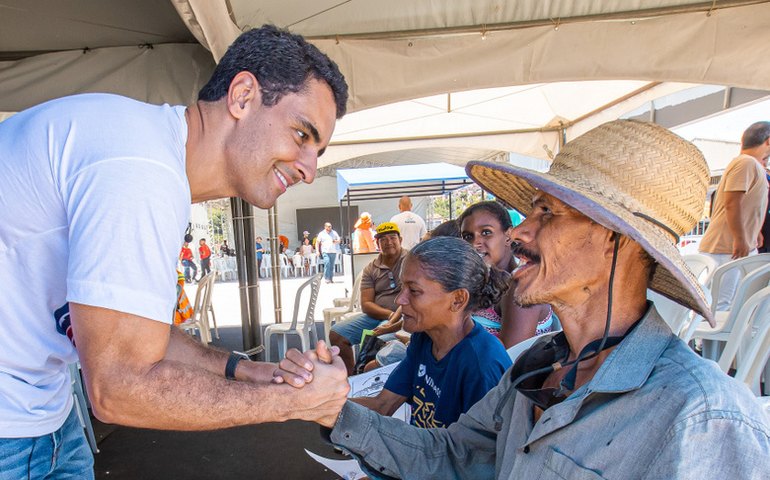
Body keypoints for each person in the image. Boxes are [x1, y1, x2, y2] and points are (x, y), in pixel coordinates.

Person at [315, 121, 770, 478]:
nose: (520, 232)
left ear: (617, 239)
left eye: (547, 212)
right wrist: (327, 408)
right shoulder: (533, 366)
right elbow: (456, 455)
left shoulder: (703, 417)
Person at [0, 24, 351, 477]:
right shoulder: (140, 168)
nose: (308, 169)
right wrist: (291, 401)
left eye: (318, 151)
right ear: (242, 96)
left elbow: (134, 334)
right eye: (303, 135)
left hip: (40, 411)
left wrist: (242, 370)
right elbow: (118, 386)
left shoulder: (149, 154)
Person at [352, 237, 512, 428]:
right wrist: (321, 402)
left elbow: (476, 453)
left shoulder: (481, 365)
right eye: (403, 287)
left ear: (458, 299)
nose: (400, 300)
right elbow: (383, 404)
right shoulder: (424, 339)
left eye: (413, 290)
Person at [458, 201, 555, 347]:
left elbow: (509, 358)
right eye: (467, 236)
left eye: (486, 232)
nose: (475, 243)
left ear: (509, 236)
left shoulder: (520, 285)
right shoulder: (482, 282)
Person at [699, 121, 770, 310]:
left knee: (732, 305)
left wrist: (754, 232)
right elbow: (732, 202)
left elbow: (746, 204)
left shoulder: (751, 165)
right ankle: (710, 341)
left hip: (736, 246)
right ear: (768, 141)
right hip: (727, 248)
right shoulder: (746, 163)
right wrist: (740, 238)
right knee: (722, 306)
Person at [330, 222, 407, 375]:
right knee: (337, 333)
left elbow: (409, 298)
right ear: (377, 243)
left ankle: (371, 381)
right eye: (383, 239)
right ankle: (351, 378)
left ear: (400, 240)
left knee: (379, 339)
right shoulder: (371, 268)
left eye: (392, 238)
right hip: (377, 316)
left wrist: (391, 321)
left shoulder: (411, 261)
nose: (388, 242)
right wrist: (389, 315)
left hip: (403, 315)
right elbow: (366, 304)